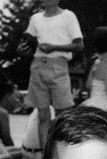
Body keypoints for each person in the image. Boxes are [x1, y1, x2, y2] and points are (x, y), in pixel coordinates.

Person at [18, 0, 83, 150]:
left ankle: (63, 156)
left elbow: (79, 45)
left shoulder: (68, 16)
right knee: (42, 115)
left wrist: (54, 47)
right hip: (38, 65)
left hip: (59, 66)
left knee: (64, 114)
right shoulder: (35, 18)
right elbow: (24, 42)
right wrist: (22, 49)